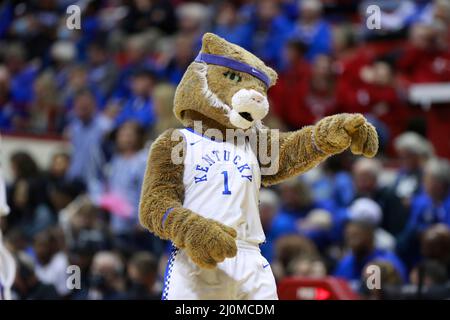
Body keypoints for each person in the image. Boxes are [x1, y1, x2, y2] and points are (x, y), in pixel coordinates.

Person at [334, 213, 407, 284]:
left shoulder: (388, 262)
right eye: (348, 237)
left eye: (355, 236)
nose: (351, 243)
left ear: (369, 235)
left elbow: (395, 292)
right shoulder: (345, 263)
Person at [65, 89, 113, 189]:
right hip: (74, 178)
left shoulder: (105, 126)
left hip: (94, 183)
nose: (82, 107)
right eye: (78, 104)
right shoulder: (75, 126)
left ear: (93, 105)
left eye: (85, 104)